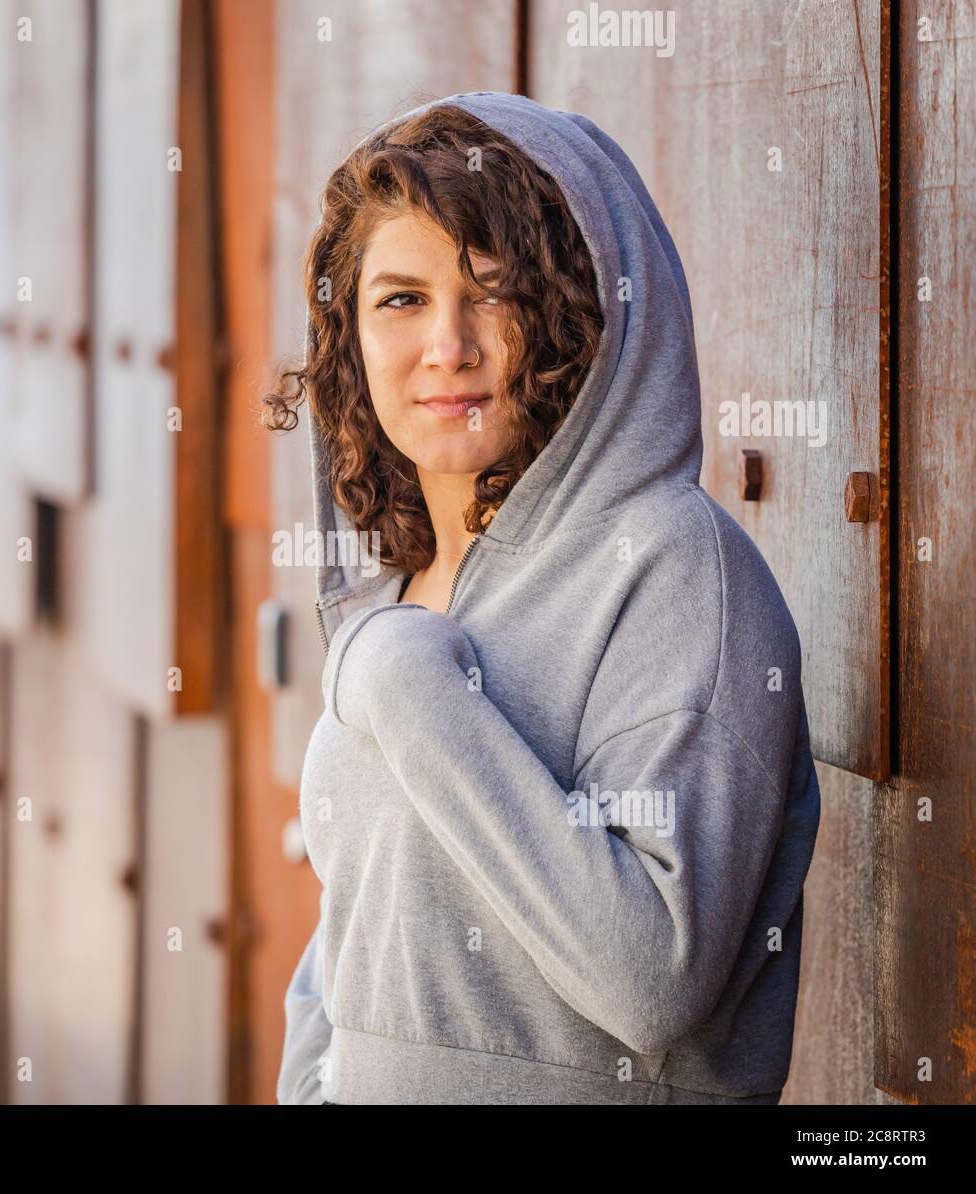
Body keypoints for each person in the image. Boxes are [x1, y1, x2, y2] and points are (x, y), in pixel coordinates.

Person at [264, 91, 821, 1105]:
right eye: (400, 299)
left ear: (572, 313)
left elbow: (652, 980)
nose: (448, 345)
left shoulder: (678, 573)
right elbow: (352, 935)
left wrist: (401, 683)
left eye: (493, 291)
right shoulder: (403, 586)